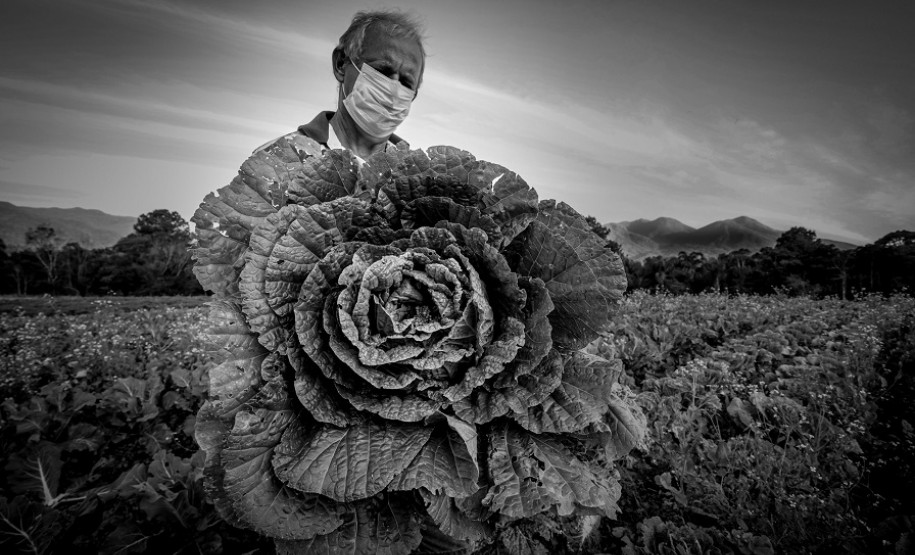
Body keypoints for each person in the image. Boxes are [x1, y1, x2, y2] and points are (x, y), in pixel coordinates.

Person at [255, 10, 425, 160]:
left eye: (406, 82)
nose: (393, 90)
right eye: (382, 71)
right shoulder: (276, 161)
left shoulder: (423, 178)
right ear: (341, 64)